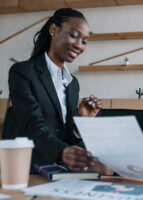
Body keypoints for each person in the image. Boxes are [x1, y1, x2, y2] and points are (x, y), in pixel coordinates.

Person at [5, 8, 112, 174]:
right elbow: (33, 124)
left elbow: (65, 137)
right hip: (26, 168)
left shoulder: (72, 84)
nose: (79, 45)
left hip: (60, 168)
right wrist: (62, 152)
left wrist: (80, 122)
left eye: (84, 41)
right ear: (54, 30)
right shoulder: (22, 72)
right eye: (74, 35)